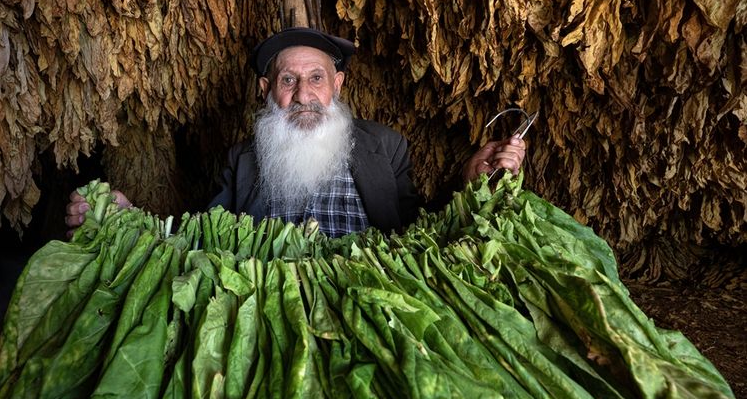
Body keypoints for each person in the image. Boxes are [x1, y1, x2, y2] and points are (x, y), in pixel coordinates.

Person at [66, 27, 526, 237]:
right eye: (288, 80)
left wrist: (470, 186)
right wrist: (130, 219)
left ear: (337, 85)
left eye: (316, 78)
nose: (303, 93)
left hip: (370, 294)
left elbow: (419, 232)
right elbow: (203, 234)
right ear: (268, 89)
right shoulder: (243, 158)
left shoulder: (386, 146)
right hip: (266, 297)